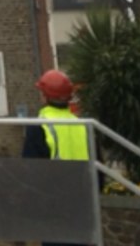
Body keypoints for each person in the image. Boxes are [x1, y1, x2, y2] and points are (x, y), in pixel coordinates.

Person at [22, 69, 90, 246]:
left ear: (44, 96)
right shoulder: (83, 125)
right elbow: (98, 170)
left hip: (53, 207)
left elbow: (30, 171)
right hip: (83, 205)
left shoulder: (39, 125)